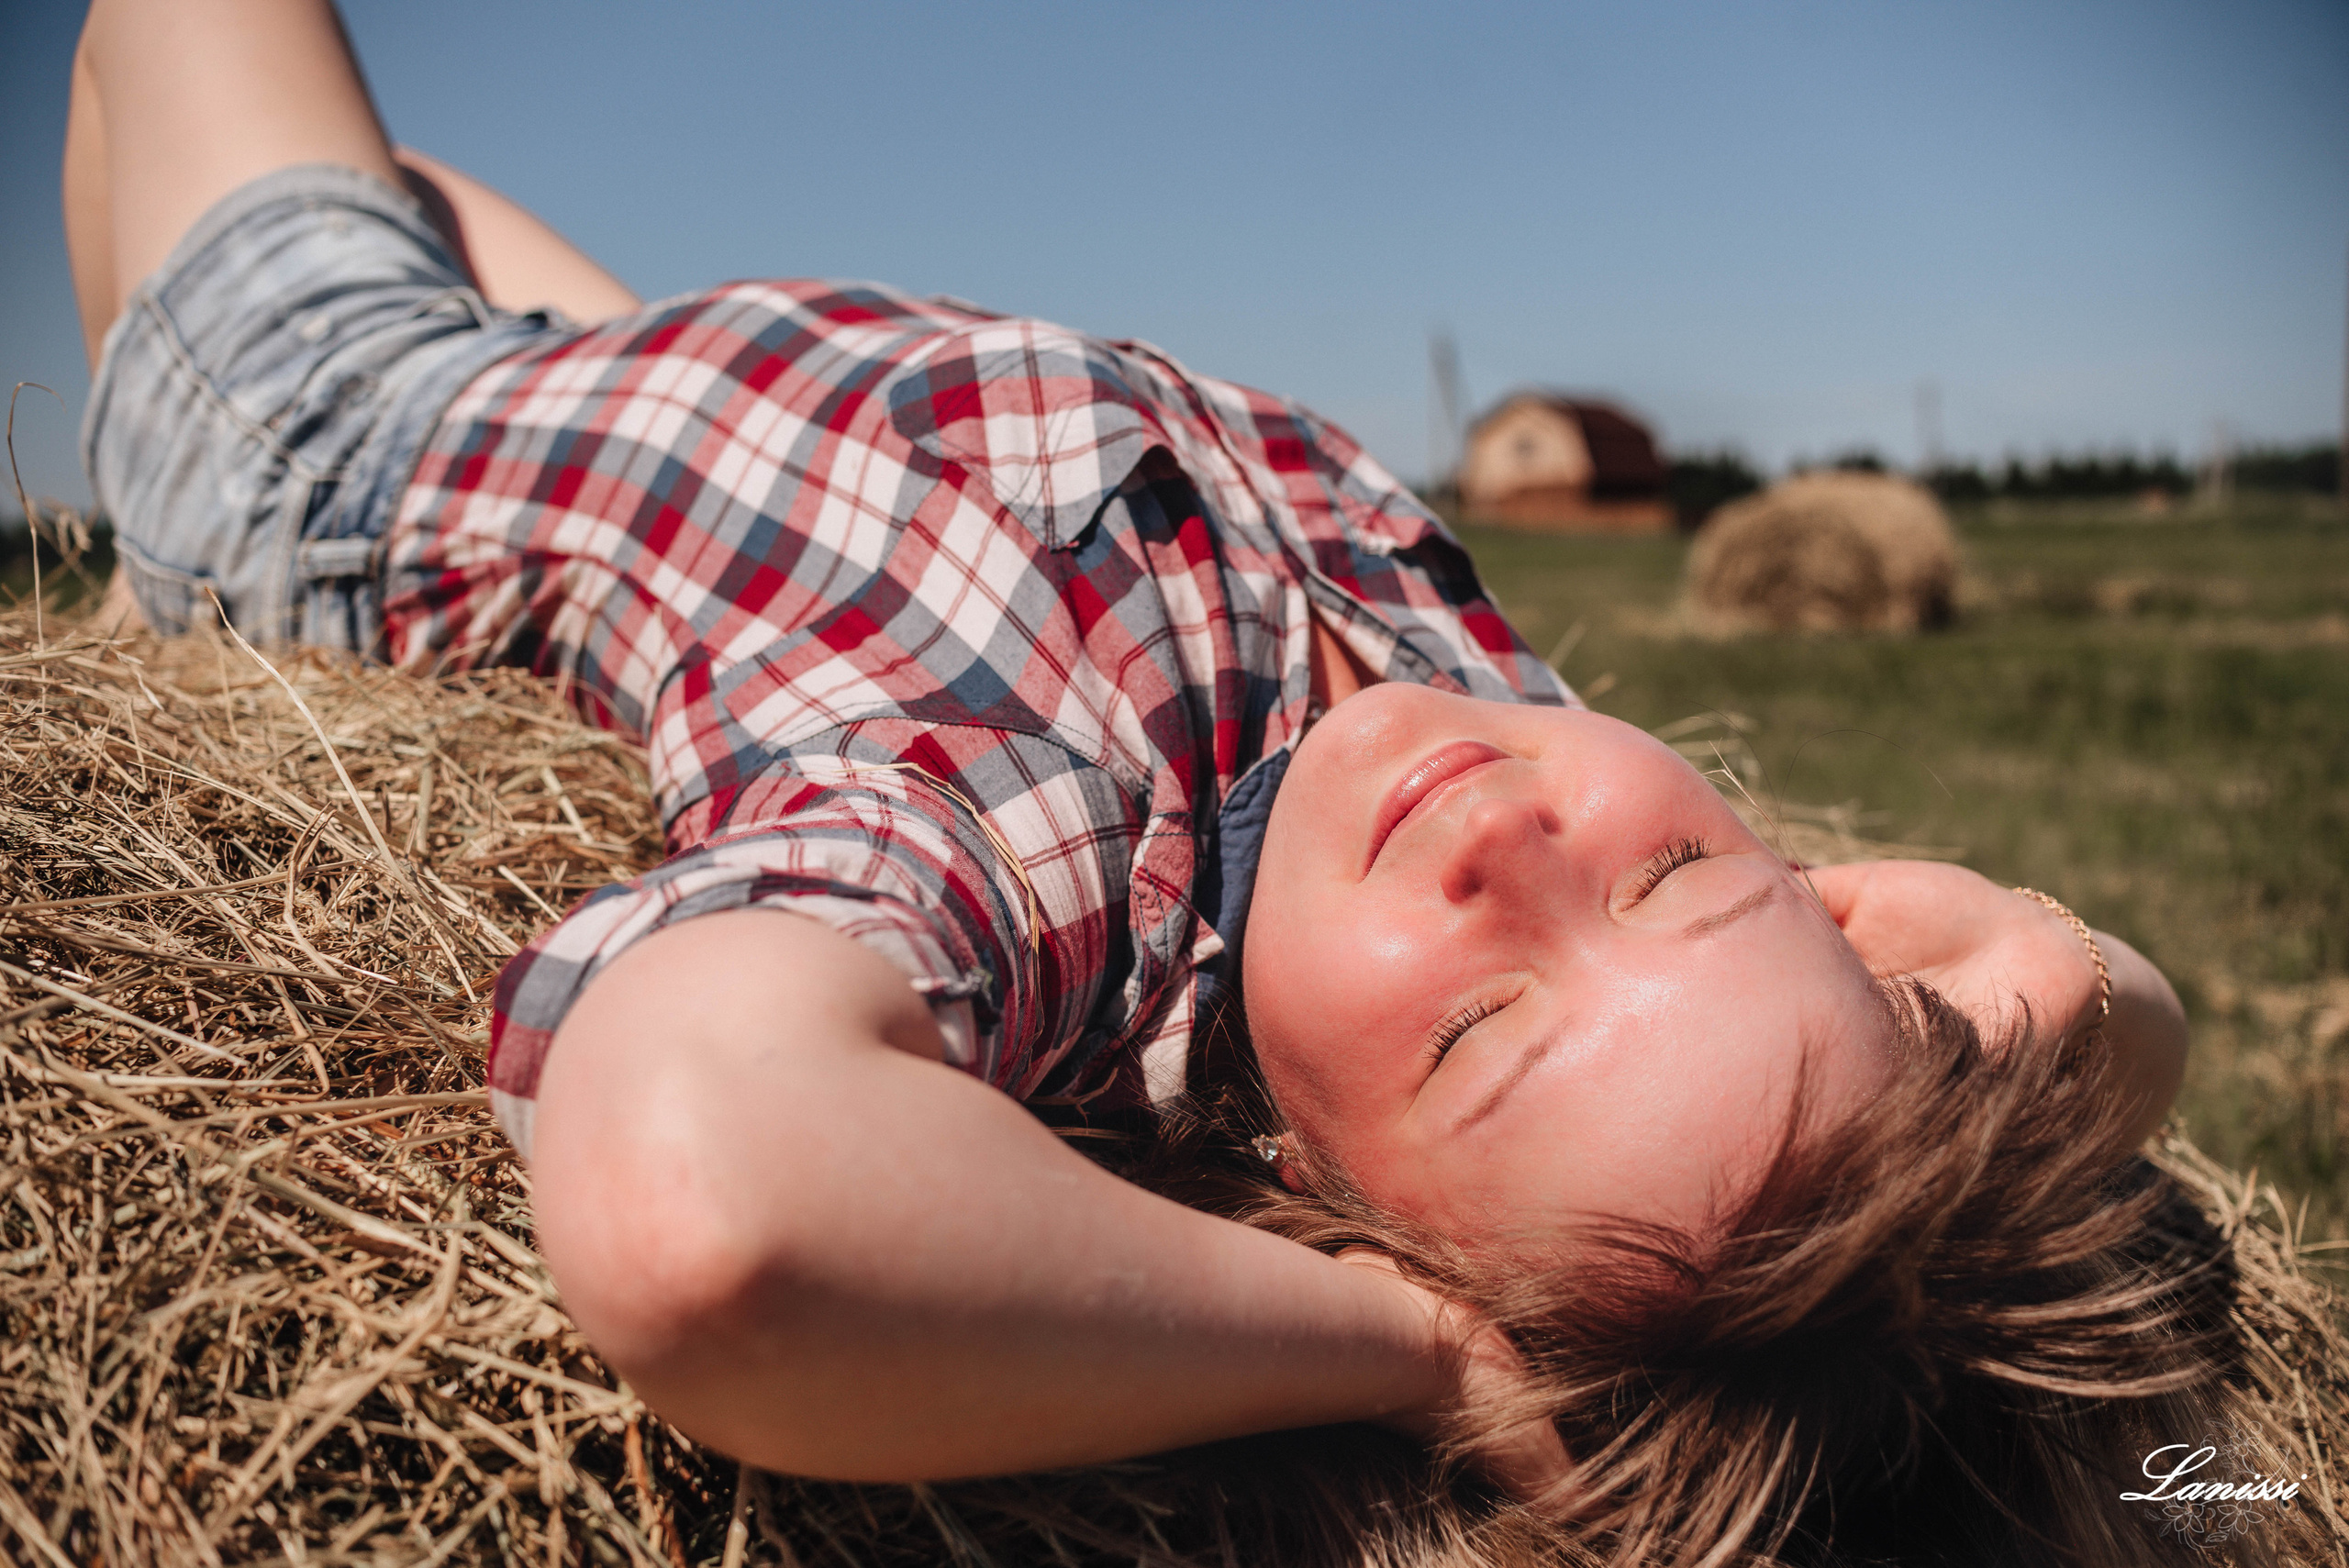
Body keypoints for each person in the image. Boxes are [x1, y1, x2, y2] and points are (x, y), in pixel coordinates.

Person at [63, 3, 2210, 1561]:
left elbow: (707, 1216)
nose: (1510, 844)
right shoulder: (1486, 739)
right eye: (1676, 881)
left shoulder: (1046, 852)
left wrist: (1411, 1356)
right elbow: (2115, 1016)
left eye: (1474, 1030)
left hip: (354, 434)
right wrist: (1983, 983)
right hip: (638, 364)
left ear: (1321, 1188)